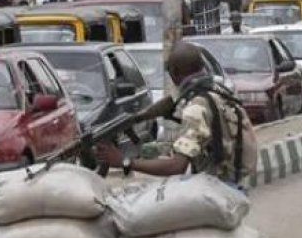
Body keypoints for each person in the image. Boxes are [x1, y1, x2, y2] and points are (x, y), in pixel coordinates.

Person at [97, 42, 256, 188]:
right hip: (235, 181)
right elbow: (171, 103)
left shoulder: (196, 108)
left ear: (174, 73)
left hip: (221, 188)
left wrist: (124, 162)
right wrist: (137, 118)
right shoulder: (216, 89)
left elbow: (177, 166)